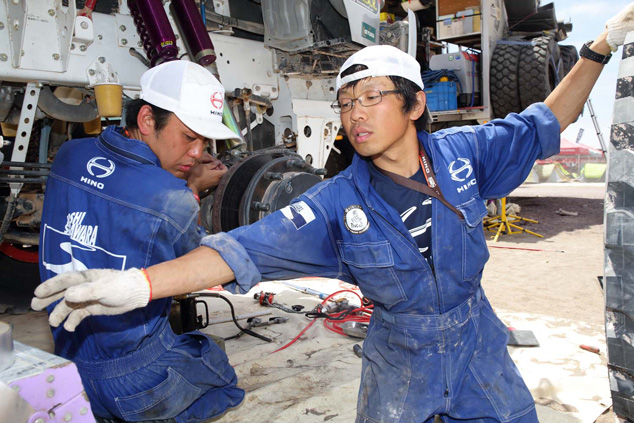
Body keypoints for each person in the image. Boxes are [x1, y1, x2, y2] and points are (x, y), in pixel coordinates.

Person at [33, 6, 634, 423]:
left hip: (479, 344)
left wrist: (598, 48)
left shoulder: (467, 155)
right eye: (347, 102)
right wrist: (136, 283)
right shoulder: (333, 203)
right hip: (400, 359)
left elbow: (546, 119)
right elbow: (236, 250)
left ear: (415, 104)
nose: (356, 114)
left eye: (372, 97)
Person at [35, 60, 244, 423]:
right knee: (220, 371)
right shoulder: (171, 197)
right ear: (147, 120)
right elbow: (198, 270)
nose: (197, 153)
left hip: (68, 365)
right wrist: (190, 189)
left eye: (205, 141)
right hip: (137, 382)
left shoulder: (69, 155)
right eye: (190, 137)